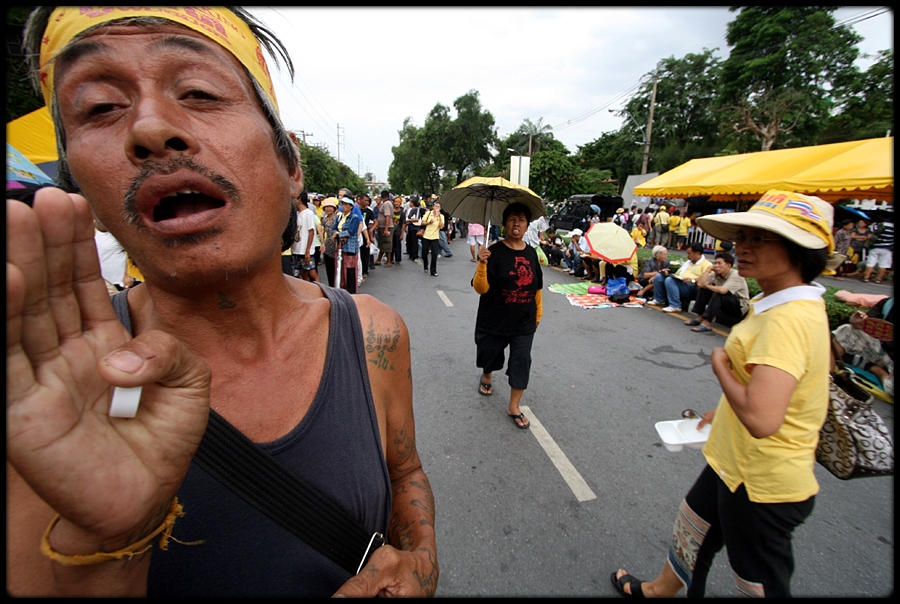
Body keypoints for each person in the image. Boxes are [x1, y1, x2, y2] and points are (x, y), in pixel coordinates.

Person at [8, 6, 436, 599]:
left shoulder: (373, 333)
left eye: (200, 91)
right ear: (83, 192)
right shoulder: (48, 392)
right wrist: (105, 551)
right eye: (101, 106)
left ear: (290, 164)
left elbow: (406, 472)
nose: (150, 128)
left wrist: (420, 560)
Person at [611, 189, 836, 598]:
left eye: (758, 239)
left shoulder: (789, 318)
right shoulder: (779, 304)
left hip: (761, 483)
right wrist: (724, 409)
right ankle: (661, 589)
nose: (740, 248)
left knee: (758, 582)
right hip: (731, 464)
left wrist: (720, 369)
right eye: (741, 238)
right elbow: (770, 389)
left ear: (799, 251)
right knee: (692, 530)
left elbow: (764, 420)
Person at [472, 202, 543, 430]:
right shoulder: (492, 252)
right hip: (494, 319)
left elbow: (537, 287)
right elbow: (481, 288)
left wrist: (537, 315)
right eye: (512, 219)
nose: (516, 224)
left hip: (523, 322)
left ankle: (514, 406)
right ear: (504, 224)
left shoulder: (531, 253)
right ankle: (487, 374)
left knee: (521, 361)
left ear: (527, 225)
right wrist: (482, 264)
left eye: (521, 220)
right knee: (489, 354)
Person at [832, 310, 894, 396]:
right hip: (882, 349)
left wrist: (878, 371)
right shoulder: (887, 304)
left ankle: (874, 368)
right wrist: (859, 322)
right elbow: (868, 321)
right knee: (847, 330)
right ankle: (827, 374)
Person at [684, 252, 750, 332]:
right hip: (725, 302)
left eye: (719, 263)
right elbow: (701, 284)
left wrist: (707, 286)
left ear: (728, 266)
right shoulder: (716, 274)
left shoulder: (736, 275)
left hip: (739, 306)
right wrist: (708, 270)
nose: (716, 266)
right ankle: (699, 318)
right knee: (703, 290)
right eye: (715, 263)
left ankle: (706, 323)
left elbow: (723, 290)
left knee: (718, 294)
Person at [647, 242, 713, 313]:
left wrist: (692, 280)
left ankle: (675, 305)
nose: (687, 256)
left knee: (670, 280)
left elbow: (707, 279)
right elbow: (678, 273)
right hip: (680, 281)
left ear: (697, 253)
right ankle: (659, 300)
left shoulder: (707, 264)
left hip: (691, 286)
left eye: (689, 253)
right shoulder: (688, 262)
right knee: (659, 276)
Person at [292, 190, 320, 282]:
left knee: (312, 272)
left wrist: (307, 250)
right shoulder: (296, 214)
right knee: (303, 273)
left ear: (299, 199)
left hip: (306, 250)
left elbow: (311, 232)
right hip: (297, 249)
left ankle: (321, 290)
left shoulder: (309, 213)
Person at [319, 197, 340, 287]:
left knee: (337, 266)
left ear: (334, 208)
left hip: (337, 243)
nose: (328, 209)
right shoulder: (324, 219)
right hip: (328, 244)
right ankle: (331, 285)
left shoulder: (338, 218)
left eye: (330, 207)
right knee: (329, 266)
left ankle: (337, 285)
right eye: (326, 207)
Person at [420, 199, 444, 277]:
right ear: (433, 207)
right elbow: (422, 222)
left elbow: (441, 227)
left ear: (440, 208)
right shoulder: (428, 213)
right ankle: (425, 265)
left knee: (434, 254)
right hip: (426, 236)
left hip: (435, 237)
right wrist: (428, 222)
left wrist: (439, 217)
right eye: (435, 206)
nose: (437, 208)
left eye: (438, 207)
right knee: (424, 253)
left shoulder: (441, 216)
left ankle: (433, 270)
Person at [375, 189, 395, 268]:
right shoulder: (388, 203)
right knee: (383, 244)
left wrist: (386, 229)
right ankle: (379, 259)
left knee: (386, 243)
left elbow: (387, 216)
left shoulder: (386, 204)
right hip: (383, 226)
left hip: (386, 226)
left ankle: (389, 261)